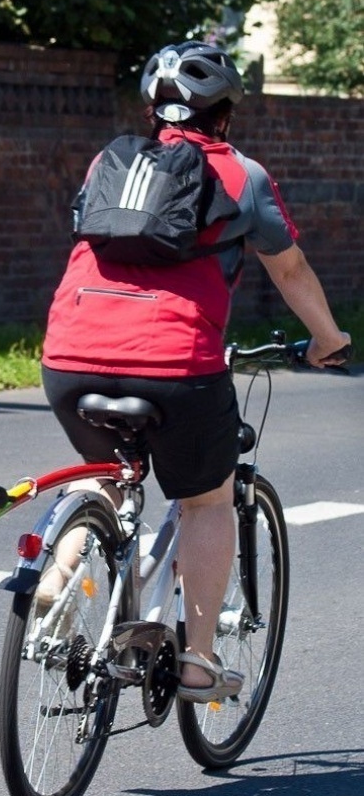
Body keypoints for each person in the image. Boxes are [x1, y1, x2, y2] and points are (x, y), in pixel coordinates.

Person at [40, 41, 351, 703]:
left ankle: (59, 579)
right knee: (206, 499)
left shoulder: (108, 162)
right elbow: (289, 268)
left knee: (107, 473)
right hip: (173, 363)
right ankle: (199, 660)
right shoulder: (241, 174)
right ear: (225, 115)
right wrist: (328, 340)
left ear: (152, 112)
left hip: (68, 354)